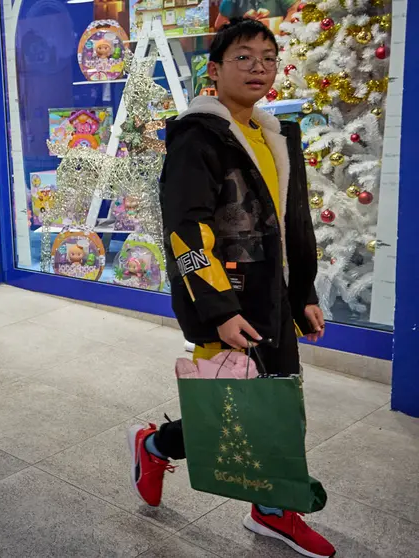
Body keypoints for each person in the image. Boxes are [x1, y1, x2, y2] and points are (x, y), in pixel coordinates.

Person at [128, 19, 333, 558]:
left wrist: (304, 292)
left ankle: (265, 506)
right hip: (231, 297)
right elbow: (186, 236)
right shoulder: (197, 139)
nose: (259, 68)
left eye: (268, 57)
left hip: (274, 294)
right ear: (213, 72)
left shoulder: (274, 134)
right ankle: (158, 447)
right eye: (244, 57)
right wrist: (217, 308)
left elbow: (294, 225)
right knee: (237, 409)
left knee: (272, 400)